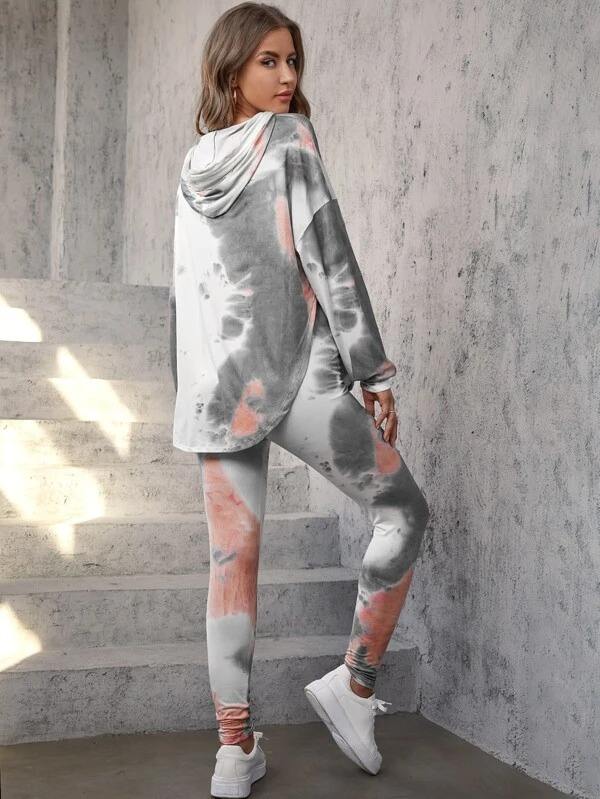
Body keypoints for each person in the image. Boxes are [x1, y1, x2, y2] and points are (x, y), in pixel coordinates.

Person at [168, 3, 430, 796]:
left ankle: (233, 751)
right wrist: (373, 371)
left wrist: (191, 394)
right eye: (269, 61)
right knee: (404, 511)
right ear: (231, 68)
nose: (287, 77)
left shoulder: (193, 164)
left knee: (230, 565)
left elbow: (185, 297)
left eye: (292, 62)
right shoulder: (289, 140)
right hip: (293, 374)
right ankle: (354, 683)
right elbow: (330, 257)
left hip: (216, 389)